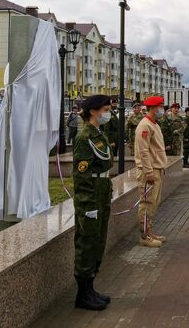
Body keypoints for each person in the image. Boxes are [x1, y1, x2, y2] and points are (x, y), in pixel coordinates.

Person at [72, 94, 113, 310]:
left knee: (98, 241)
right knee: (87, 243)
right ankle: (83, 295)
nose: (109, 112)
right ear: (93, 111)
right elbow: (81, 176)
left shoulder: (98, 133)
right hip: (90, 196)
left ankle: (90, 289)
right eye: (106, 109)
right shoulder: (84, 136)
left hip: (101, 191)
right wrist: (87, 206)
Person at [134, 96, 168, 248]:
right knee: (147, 203)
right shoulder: (144, 125)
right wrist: (148, 172)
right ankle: (145, 236)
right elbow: (143, 152)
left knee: (153, 203)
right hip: (149, 170)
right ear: (153, 108)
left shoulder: (154, 124)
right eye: (161, 106)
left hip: (157, 168)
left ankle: (149, 231)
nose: (162, 109)